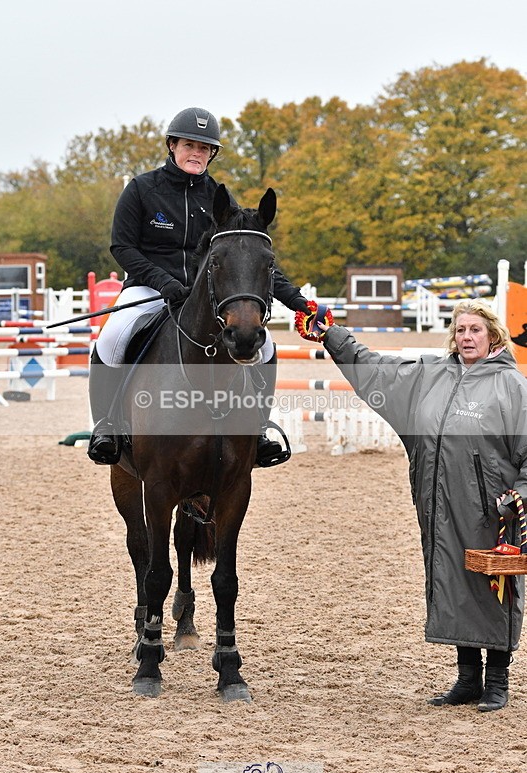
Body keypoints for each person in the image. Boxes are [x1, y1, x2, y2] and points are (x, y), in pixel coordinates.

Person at [318, 299, 527, 711]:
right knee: (451, 583)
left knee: (494, 589)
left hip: (493, 510)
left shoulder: (512, 387)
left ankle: (497, 682)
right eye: (461, 329)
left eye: (476, 330)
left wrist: (519, 495)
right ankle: (467, 679)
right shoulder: (432, 375)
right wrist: (331, 334)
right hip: (438, 505)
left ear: (494, 336)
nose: (467, 337)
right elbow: (375, 368)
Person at [87, 106, 310, 466]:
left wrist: (299, 301)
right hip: (149, 289)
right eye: (190, 145)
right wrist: (163, 282)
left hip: (206, 295)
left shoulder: (220, 199)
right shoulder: (142, 189)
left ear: (212, 154)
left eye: (205, 148)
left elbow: (247, 258)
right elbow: (122, 247)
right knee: (112, 338)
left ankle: (258, 430)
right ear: (172, 145)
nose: (197, 153)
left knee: (265, 347)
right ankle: (106, 426)